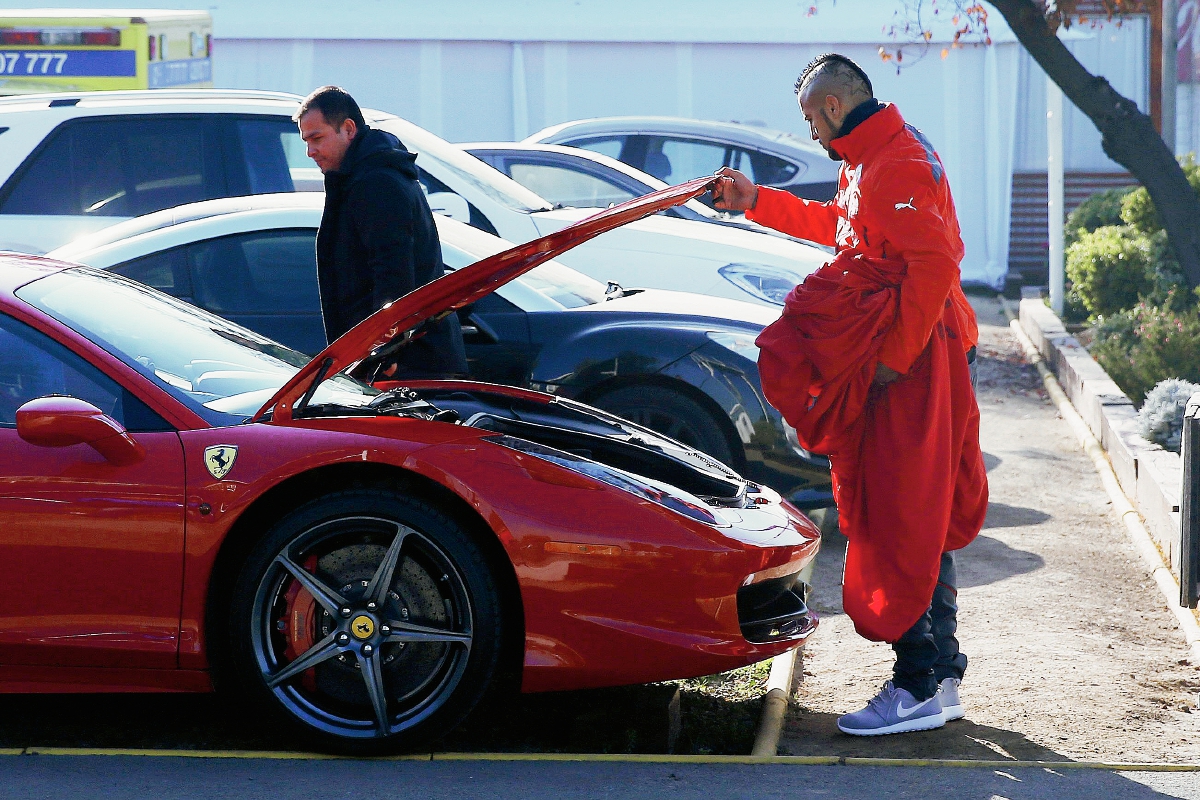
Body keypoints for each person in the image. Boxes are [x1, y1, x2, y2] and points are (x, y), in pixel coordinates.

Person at [712, 53, 988, 736]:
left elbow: (934, 264)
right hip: (923, 356)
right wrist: (755, 203)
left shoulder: (895, 161)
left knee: (899, 513)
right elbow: (842, 226)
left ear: (833, 107)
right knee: (918, 510)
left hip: (914, 366)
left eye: (811, 118)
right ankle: (939, 675)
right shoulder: (877, 156)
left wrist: (891, 361)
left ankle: (917, 683)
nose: (810, 131)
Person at [296, 85, 467, 379]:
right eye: (306, 141)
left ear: (348, 129)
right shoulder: (363, 176)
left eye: (317, 138)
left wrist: (385, 353)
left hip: (406, 367)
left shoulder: (376, 182)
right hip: (401, 359)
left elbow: (393, 274)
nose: (310, 152)